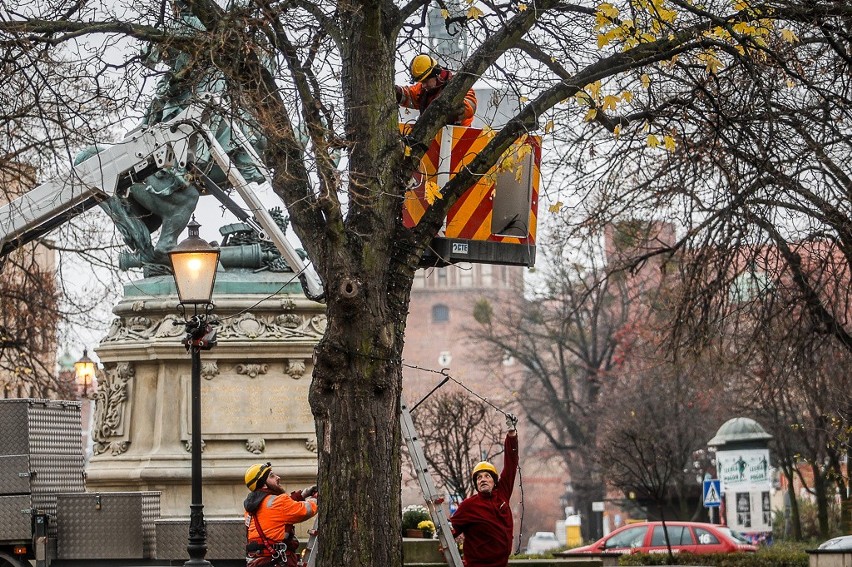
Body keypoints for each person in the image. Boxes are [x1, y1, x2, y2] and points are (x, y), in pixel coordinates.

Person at [449, 413, 519, 567]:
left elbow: (511, 463)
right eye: (479, 478)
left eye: (487, 476)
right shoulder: (468, 506)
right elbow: (450, 530)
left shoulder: (503, 494)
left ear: (495, 481)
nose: (483, 479)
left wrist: (512, 434)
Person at [243, 462, 318, 567]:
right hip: (278, 561)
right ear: (263, 484)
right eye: (272, 476)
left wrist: (302, 495)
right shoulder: (277, 502)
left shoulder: (251, 508)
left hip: (259, 561)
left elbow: (279, 512)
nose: (278, 477)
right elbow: (305, 510)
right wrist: (315, 499)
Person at [396, 53, 478, 127]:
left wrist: (449, 110)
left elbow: (470, 106)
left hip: (459, 138)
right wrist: (395, 92)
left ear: (436, 75)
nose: (423, 85)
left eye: (425, 81)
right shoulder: (422, 90)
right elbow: (407, 95)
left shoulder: (458, 85)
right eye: (421, 82)